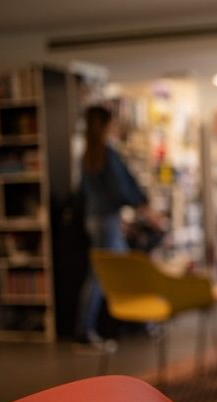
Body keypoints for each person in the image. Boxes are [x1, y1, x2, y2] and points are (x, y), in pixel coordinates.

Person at [75, 105, 160, 347]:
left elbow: (84, 192)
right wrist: (142, 207)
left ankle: (142, 320)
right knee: (106, 274)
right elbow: (122, 189)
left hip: (95, 219)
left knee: (116, 271)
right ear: (105, 125)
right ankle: (85, 330)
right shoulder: (107, 154)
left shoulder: (87, 155)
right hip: (107, 220)